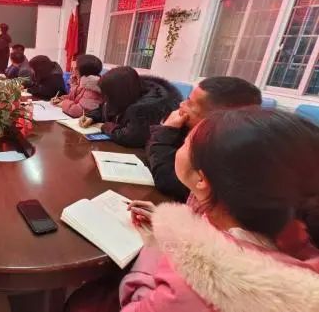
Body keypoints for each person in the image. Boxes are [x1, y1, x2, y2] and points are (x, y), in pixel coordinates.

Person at [66, 108, 319, 312]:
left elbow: (137, 304)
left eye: (186, 142)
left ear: (201, 179)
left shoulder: (199, 281)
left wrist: (160, 244)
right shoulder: (296, 239)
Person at [147, 76, 262, 202]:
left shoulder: (235, 153)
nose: (181, 104)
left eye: (190, 103)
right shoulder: (188, 127)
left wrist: (165, 132)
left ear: (216, 118)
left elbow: (170, 181)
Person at [81, 66, 181, 148]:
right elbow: (106, 107)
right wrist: (92, 117)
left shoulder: (147, 108)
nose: (105, 98)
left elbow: (131, 137)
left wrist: (105, 126)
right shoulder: (129, 93)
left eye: (108, 95)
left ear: (118, 93)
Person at [52, 54, 103, 118]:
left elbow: (79, 112)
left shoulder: (92, 88)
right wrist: (60, 99)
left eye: (76, 68)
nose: (73, 70)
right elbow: (73, 98)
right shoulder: (81, 81)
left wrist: (63, 103)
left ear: (83, 70)